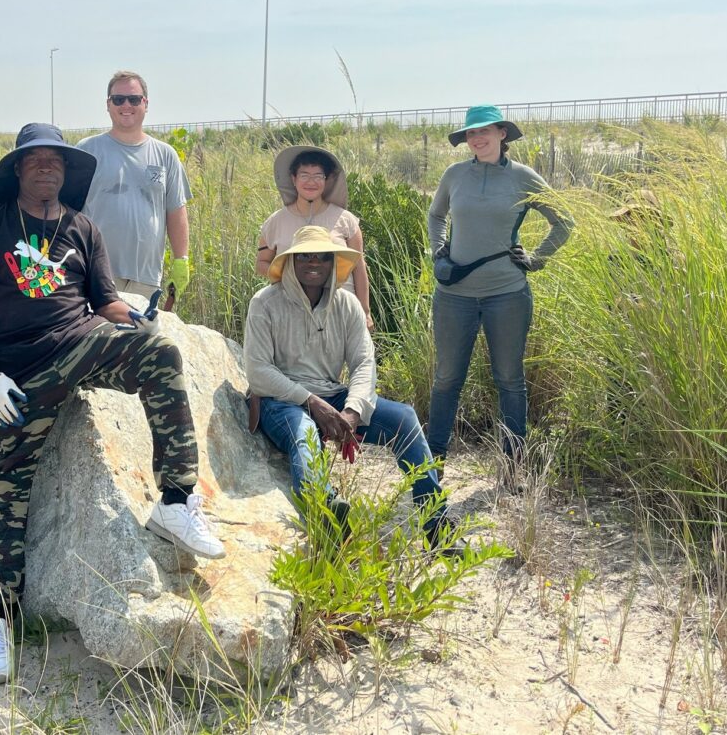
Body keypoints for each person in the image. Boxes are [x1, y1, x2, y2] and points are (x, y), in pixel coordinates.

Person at [0, 123, 224, 684]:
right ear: (19, 171)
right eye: (35, 161)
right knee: (6, 491)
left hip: (82, 347)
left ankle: (175, 499)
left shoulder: (82, 228)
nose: (46, 168)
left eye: (56, 161)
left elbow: (104, 305)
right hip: (19, 378)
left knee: (159, 354)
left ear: (68, 173)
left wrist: (138, 316)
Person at [243, 225, 453, 547]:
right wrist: (313, 403)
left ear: (332, 263)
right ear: (291, 262)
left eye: (322, 256)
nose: (313, 263)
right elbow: (258, 372)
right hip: (281, 399)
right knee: (304, 433)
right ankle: (328, 512)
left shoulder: (347, 304)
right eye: (304, 256)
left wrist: (353, 410)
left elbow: (364, 362)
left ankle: (435, 524)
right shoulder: (265, 303)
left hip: (332, 394)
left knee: (405, 420)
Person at [427, 105, 573, 483]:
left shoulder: (524, 178)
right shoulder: (454, 174)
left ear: (502, 134)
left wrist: (537, 259)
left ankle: (513, 469)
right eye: (471, 133)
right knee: (446, 379)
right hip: (454, 295)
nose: (477, 138)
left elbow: (564, 222)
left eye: (485, 132)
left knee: (509, 380)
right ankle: (432, 467)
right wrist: (438, 249)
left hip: (507, 294)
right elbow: (436, 215)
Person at [78, 71, 192, 302]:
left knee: (140, 337)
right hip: (96, 273)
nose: (126, 105)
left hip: (146, 278)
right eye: (118, 99)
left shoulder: (165, 154)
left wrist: (181, 260)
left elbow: (176, 211)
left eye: (134, 99)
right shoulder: (87, 151)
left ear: (146, 103)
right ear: (108, 104)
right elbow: (69, 211)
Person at [256, 146, 376, 330]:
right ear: (293, 179)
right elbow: (262, 263)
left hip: (341, 313)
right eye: (304, 175)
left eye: (318, 176)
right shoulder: (274, 223)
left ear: (326, 181)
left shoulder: (346, 221)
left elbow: (359, 267)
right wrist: (292, 278)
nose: (311, 182)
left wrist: (365, 312)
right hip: (291, 314)